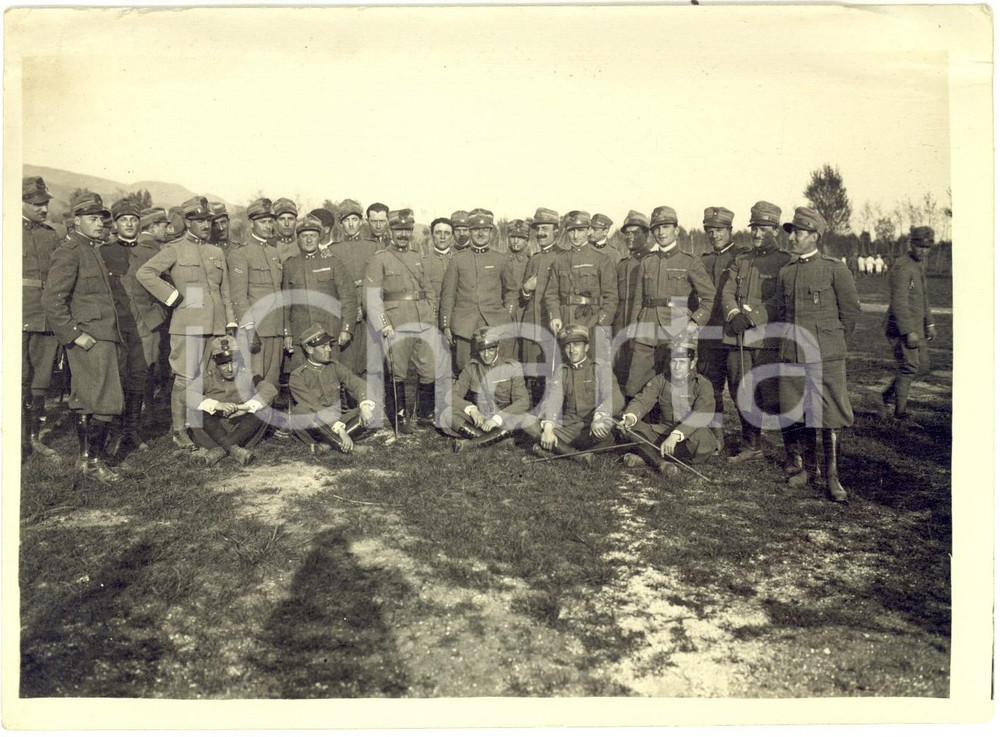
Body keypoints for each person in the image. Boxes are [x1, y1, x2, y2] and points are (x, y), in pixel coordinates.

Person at [774, 207, 861, 503]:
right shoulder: (786, 271)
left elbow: (850, 313)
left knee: (829, 413)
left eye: (798, 232)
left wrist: (832, 346)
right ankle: (810, 469)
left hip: (826, 355)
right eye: (791, 232)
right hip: (792, 352)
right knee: (798, 410)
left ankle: (833, 476)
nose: (792, 237)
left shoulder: (835, 268)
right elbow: (783, 312)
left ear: (814, 236)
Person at [137, 196, 238, 449]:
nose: (205, 225)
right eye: (199, 220)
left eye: (208, 220)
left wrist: (230, 322)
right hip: (188, 325)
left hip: (215, 325)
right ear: (188, 222)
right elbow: (145, 273)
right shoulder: (174, 249)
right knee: (185, 378)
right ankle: (179, 430)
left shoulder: (216, 252)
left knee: (204, 377)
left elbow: (224, 291)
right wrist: (172, 296)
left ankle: (198, 425)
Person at [42, 193, 126, 482]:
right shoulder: (71, 252)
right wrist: (75, 336)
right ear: (76, 221)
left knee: (87, 401)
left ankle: (85, 461)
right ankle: (96, 462)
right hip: (91, 339)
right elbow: (53, 300)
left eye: (102, 219)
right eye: (92, 219)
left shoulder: (93, 249)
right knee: (107, 400)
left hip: (101, 335)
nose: (100, 224)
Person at [721, 201, 790, 462]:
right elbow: (727, 290)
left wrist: (752, 317)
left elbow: (780, 300)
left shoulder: (785, 262)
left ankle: (793, 453)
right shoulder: (742, 259)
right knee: (740, 389)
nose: (758, 235)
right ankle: (751, 444)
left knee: (772, 395)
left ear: (775, 229)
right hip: (737, 337)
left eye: (764, 229)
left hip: (767, 341)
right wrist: (733, 314)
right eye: (755, 229)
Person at [364, 208, 443, 431]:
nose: (403, 235)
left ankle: (425, 414)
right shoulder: (380, 259)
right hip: (396, 322)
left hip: (423, 320)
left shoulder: (417, 257)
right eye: (398, 230)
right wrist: (383, 324)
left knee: (428, 368)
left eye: (407, 230)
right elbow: (372, 297)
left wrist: (430, 313)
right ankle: (399, 418)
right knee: (397, 371)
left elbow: (429, 289)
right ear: (390, 231)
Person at [625, 205, 716, 399]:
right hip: (646, 328)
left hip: (677, 328)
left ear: (676, 230)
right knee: (635, 387)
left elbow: (709, 297)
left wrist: (695, 322)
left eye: (666, 227)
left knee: (672, 388)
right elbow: (638, 300)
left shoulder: (689, 261)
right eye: (657, 228)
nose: (661, 232)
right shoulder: (647, 261)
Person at [101, 198, 156, 457]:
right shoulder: (105, 252)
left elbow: (165, 286)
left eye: (134, 220)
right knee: (119, 377)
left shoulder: (149, 252)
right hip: (118, 325)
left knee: (140, 375)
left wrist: (159, 315)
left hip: (146, 324)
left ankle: (133, 429)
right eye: (124, 220)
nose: (130, 224)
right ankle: (116, 432)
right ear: (115, 223)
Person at [526, 323, 624, 463]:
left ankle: (551, 449)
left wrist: (600, 416)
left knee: (602, 432)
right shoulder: (562, 370)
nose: (572, 350)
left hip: (593, 426)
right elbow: (554, 399)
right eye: (567, 346)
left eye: (576, 344)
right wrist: (548, 428)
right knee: (528, 423)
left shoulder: (600, 367)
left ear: (586, 347)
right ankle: (577, 456)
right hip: (570, 427)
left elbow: (615, 396)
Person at [618, 339, 718, 475]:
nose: (676, 367)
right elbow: (643, 400)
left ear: (692, 363)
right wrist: (630, 417)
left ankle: (647, 456)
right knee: (631, 428)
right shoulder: (660, 380)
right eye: (673, 361)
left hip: (689, 435)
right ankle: (662, 463)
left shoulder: (702, 384)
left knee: (704, 440)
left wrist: (675, 436)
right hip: (663, 432)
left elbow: (701, 414)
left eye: (682, 362)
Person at [440, 208, 516, 372]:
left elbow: (511, 290)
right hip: (464, 326)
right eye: (476, 230)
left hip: (494, 322)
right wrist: (446, 325)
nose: (480, 234)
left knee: (495, 369)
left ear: (491, 232)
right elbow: (448, 295)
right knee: (465, 368)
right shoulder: (457, 259)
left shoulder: (500, 259)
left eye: (485, 230)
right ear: (470, 232)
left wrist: (507, 313)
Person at [282, 215, 357, 372]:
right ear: (298, 239)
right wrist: (287, 333)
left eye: (313, 235)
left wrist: (346, 328)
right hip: (301, 336)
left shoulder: (333, 262)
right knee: (302, 381)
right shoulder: (290, 265)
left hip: (329, 334)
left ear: (319, 237)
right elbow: (285, 305)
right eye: (304, 236)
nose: (309, 240)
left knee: (330, 379)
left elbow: (348, 298)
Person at [22, 176, 63, 461]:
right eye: (36, 203)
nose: (43, 208)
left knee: (41, 380)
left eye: (45, 203)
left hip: (46, 316)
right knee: (17, 377)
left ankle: (33, 437)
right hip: (16, 314)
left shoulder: (52, 234)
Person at [288, 323, 377, 454]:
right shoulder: (298, 376)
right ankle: (352, 449)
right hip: (314, 426)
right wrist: (340, 430)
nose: (329, 349)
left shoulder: (334, 366)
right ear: (309, 350)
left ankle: (326, 446)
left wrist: (364, 406)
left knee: (371, 406)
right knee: (300, 411)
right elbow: (313, 406)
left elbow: (357, 383)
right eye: (323, 346)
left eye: (329, 345)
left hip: (338, 421)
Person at [190, 335, 277, 466]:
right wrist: (217, 405)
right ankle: (233, 448)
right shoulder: (207, 378)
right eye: (224, 363)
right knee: (197, 409)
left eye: (234, 362)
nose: (230, 368)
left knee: (265, 406)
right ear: (215, 362)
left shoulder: (247, 375)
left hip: (242, 430)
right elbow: (187, 394)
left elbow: (269, 389)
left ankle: (221, 450)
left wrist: (244, 408)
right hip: (213, 432)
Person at [443, 326, 532, 452]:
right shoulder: (472, 368)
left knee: (523, 418)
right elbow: (451, 396)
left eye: (490, 349)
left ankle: (471, 444)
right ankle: (498, 442)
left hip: (504, 419)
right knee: (447, 414)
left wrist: (497, 419)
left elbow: (523, 401)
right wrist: (472, 410)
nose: (486, 355)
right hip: (480, 420)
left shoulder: (512, 367)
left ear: (498, 346)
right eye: (482, 350)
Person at [544, 210, 618, 361]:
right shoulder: (559, 261)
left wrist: (601, 323)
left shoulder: (601, 260)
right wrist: (555, 316)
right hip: (566, 321)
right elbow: (551, 295)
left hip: (592, 321)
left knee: (595, 367)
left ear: (589, 230)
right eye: (571, 231)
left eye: (580, 230)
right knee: (565, 366)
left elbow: (611, 297)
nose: (576, 236)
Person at [227, 197, 285, 386]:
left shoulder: (274, 253)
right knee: (253, 383)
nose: (268, 226)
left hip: (275, 328)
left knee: (272, 384)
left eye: (270, 222)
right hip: (256, 330)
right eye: (262, 222)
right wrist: (250, 329)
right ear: (252, 224)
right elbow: (239, 296)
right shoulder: (240, 254)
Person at [881, 226, 936, 423]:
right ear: (910, 244)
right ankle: (900, 413)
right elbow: (899, 302)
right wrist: (908, 331)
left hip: (917, 326)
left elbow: (923, 298)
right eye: (919, 246)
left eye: (927, 247)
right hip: (902, 327)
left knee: (921, 366)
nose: (923, 250)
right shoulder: (903, 266)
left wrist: (929, 324)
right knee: (910, 366)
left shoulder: (917, 265)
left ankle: (886, 396)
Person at [696, 206, 741, 450]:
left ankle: (750, 442)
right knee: (710, 386)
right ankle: (716, 435)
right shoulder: (702, 260)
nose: (715, 235)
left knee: (738, 386)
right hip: (709, 334)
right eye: (710, 230)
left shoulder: (741, 258)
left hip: (734, 334)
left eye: (720, 230)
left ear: (730, 230)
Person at [514, 207, 562, 403]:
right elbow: (523, 298)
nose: (540, 233)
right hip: (531, 324)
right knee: (531, 373)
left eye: (546, 228)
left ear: (556, 231)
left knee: (551, 372)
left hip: (550, 323)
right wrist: (526, 288)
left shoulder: (563, 257)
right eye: (538, 229)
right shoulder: (533, 258)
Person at [330, 199, 382, 379]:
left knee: (371, 361)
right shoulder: (332, 250)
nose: (351, 224)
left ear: (361, 221)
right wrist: (352, 310)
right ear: (341, 223)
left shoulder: (374, 247)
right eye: (346, 220)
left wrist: (364, 306)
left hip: (370, 310)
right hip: (346, 311)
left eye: (355, 219)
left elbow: (378, 282)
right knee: (347, 362)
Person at [132, 207, 173, 404]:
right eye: (164, 226)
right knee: (149, 362)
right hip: (153, 315)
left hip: (137, 314)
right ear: (154, 226)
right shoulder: (154, 250)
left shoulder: (134, 247)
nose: (167, 230)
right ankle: (146, 409)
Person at [612, 210, 651, 386]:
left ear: (646, 234)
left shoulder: (652, 261)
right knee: (620, 369)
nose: (629, 237)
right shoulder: (622, 264)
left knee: (642, 373)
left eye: (634, 232)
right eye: (626, 233)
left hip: (643, 324)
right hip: (620, 325)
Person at [425, 216, 454, 314]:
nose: (442, 237)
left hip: (457, 315)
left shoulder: (460, 260)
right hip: (433, 315)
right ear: (432, 235)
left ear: (452, 236)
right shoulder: (422, 262)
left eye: (447, 233)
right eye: (438, 232)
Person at [272, 197, 300, 263]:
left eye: (290, 219)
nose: (286, 224)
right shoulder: (267, 246)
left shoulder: (304, 246)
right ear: (275, 222)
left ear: (296, 221)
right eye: (282, 219)